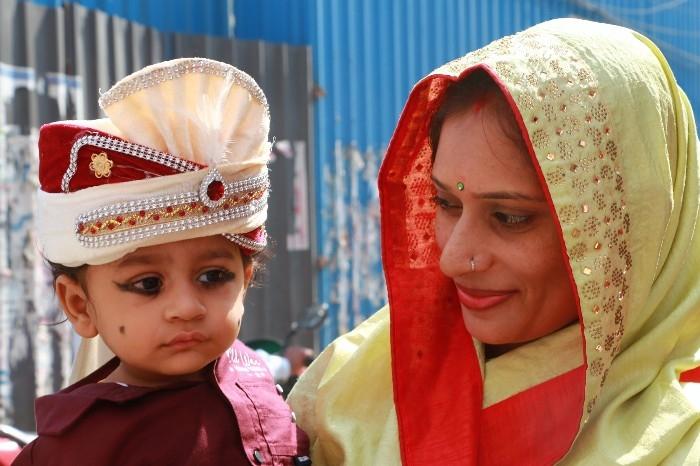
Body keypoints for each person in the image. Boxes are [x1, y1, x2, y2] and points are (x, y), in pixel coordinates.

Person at [288, 18, 700, 465]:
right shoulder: (351, 384)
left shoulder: (679, 435)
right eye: (445, 203)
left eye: (510, 217)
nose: (453, 259)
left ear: (632, 227)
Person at [14, 58, 310, 465]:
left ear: (245, 278)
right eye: (148, 284)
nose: (187, 307)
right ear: (79, 306)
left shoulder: (252, 369)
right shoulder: (76, 450)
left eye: (212, 276)